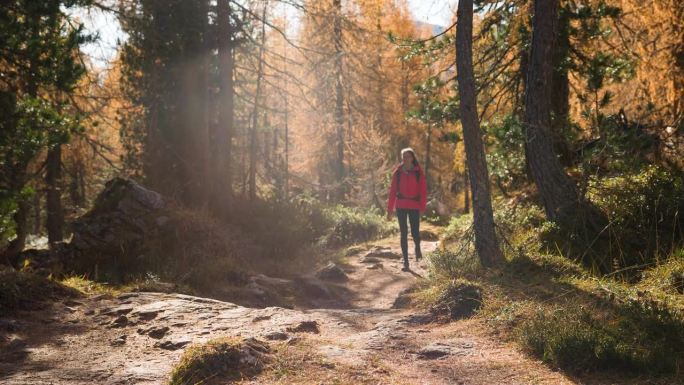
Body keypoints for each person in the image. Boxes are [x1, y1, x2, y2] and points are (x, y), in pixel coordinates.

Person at [386, 147, 428, 271]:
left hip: (414, 205)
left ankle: (417, 247)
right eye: (404, 157)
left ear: (412, 158)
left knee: (415, 232)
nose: (406, 159)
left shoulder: (418, 172)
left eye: (408, 156)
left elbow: (423, 191)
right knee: (403, 233)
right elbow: (392, 192)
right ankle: (405, 261)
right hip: (401, 205)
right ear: (402, 158)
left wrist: (422, 206)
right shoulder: (397, 173)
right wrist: (389, 210)